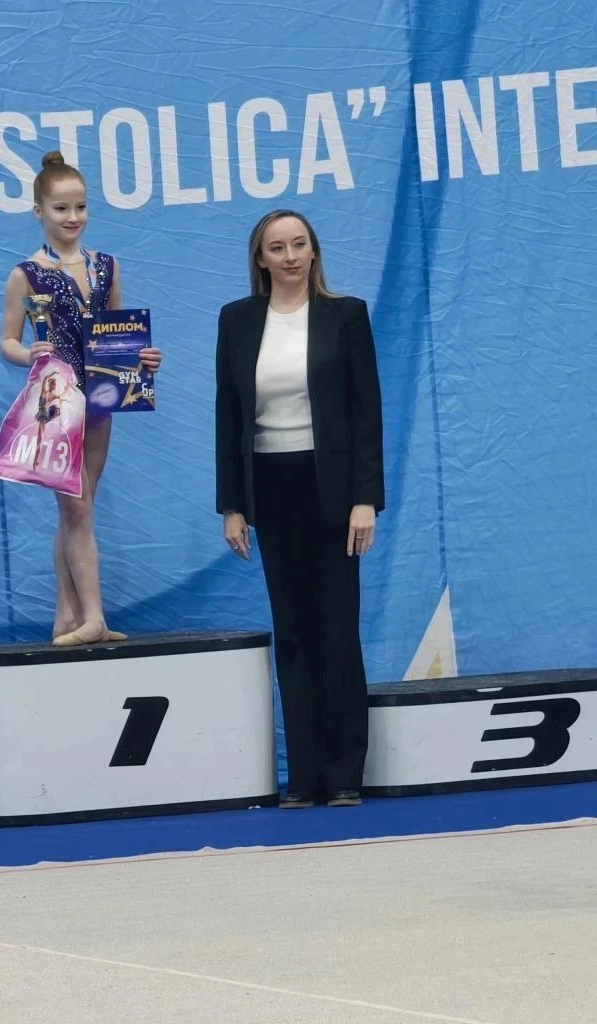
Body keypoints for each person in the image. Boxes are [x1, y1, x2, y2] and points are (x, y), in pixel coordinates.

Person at [215, 209, 384, 808]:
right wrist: (232, 506)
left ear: (314, 251)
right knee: (292, 630)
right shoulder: (236, 320)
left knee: (337, 628)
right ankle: (305, 776)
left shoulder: (347, 315)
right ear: (260, 259)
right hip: (271, 485)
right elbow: (229, 417)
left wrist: (365, 499)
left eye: (299, 244)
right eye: (277, 247)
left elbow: (367, 414)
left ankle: (343, 773)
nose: (289, 256)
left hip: (333, 489)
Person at [0, 151, 162, 646]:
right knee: (77, 509)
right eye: (61, 209)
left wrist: (141, 358)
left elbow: (117, 330)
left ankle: (66, 616)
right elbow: (6, 341)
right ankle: (94, 617)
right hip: (55, 399)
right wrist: (28, 352)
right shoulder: (26, 274)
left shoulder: (106, 267)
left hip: (101, 398)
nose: (73, 217)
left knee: (77, 509)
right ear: (38, 212)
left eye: (80, 207)